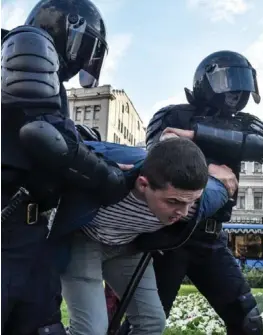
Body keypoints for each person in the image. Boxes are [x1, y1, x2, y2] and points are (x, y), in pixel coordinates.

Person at [115, 50, 263, 335]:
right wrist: (208, 169)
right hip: (170, 236)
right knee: (144, 325)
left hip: (211, 239)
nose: (234, 92)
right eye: (228, 80)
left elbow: (259, 143)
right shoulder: (173, 115)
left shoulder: (245, 124)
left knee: (248, 322)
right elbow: (159, 158)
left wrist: (194, 135)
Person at [1, 0, 128, 334]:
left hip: (31, 230)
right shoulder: (30, 46)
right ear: (71, 28)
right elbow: (45, 137)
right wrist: (110, 178)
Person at [60, 136, 238, 335]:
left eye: (191, 202)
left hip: (127, 248)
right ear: (143, 185)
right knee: (90, 330)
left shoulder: (196, 199)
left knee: (151, 323)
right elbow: (65, 144)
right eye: (173, 202)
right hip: (86, 242)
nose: (184, 212)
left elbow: (222, 186)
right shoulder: (110, 174)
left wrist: (214, 172)